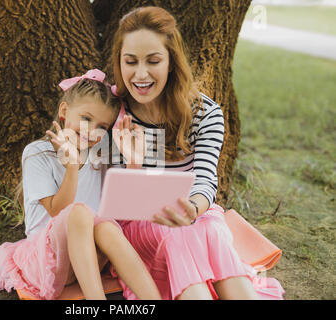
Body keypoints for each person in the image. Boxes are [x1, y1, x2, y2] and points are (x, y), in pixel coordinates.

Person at [108, 6, 285, 300]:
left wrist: (192, 208)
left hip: (196, 215)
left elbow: (205, 180)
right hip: (138, 225)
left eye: (153, 61)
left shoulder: (206, 114)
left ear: (171, 62)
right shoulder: (114, 111)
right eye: (130, 62)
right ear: (120, 62)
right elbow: (114, 200)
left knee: (210, 229)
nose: (140, 74)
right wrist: (133, 165)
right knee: (179, 234)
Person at [0, 69, 161, 300]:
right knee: (79, 213)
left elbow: (124, 207)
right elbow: (57, 211)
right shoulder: (38, 153)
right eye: (86, 118)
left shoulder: (100, 154)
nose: (93, 131)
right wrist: (72, 166)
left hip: (88, 260)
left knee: (107, 226)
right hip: (47, 262)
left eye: (102, 126)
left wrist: (133, 162)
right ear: (64, 111)